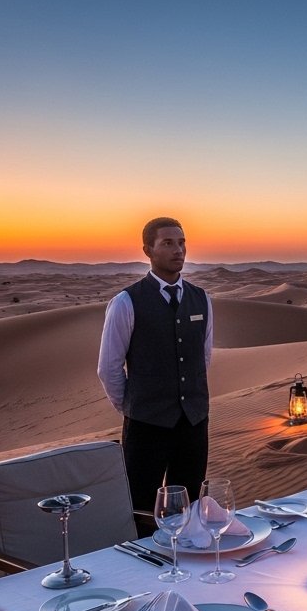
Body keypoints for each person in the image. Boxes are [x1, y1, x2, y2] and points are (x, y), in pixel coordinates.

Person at [97, 217, 213, 511]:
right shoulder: (126, 302)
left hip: (193, 423)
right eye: (168, 243)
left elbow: (204, 357)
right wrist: (132, 407)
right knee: (140, 506)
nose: (179, 250)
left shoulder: (201, 299)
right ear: (148, 250)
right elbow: (109, 367)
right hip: (146, 426)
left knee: (189, 506)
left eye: (182, 242)